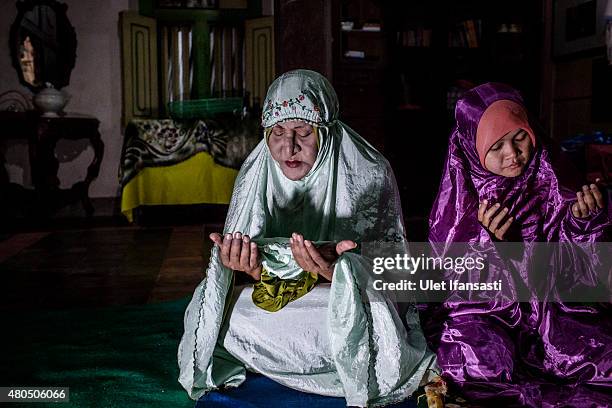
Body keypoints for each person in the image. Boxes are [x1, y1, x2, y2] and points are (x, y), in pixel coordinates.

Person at [178, 69, 438, 407]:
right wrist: (247, 268)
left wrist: (337, 273)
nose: (289, 147)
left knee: (353, 324)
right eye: (277, 133)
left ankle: (289, 362)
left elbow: (394, 279)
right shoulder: (257, 172)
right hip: (281, 305)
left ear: (327, 131)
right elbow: (243, 278)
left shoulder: (369, 172)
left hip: (339, 305)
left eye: (303, 131)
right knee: (222, 313)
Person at [427, 82, 612, 407]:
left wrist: (584, 225)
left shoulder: (551, 176)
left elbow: (580, 273)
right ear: (474, 149)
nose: (512, 154)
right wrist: (490, 244)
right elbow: (449, 277)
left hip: (553, 309)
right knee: (478, 365)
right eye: (496, 146)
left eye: (519, 138)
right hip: (488, 314)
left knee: (602, 358)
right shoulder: (462, 197)